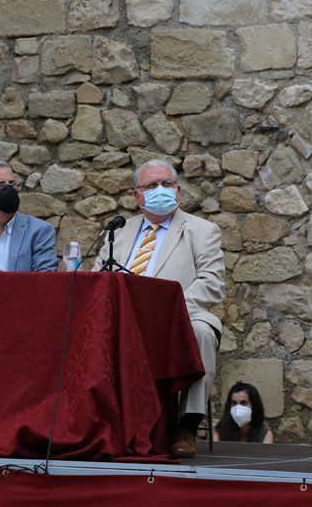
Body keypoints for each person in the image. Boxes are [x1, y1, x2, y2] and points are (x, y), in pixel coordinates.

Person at [94, 159, 225, 458]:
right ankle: (101, 423)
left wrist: (170, 312)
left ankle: (186, 427)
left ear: (178, 192)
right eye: (151, 186)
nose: (160, 190)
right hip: (126, 319)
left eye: (167, 184)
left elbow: (212, 283)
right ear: (137, 196)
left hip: (180, 317)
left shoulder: (202, 230)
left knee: (203, 331)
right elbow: (99, 279)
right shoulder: (119, 231)